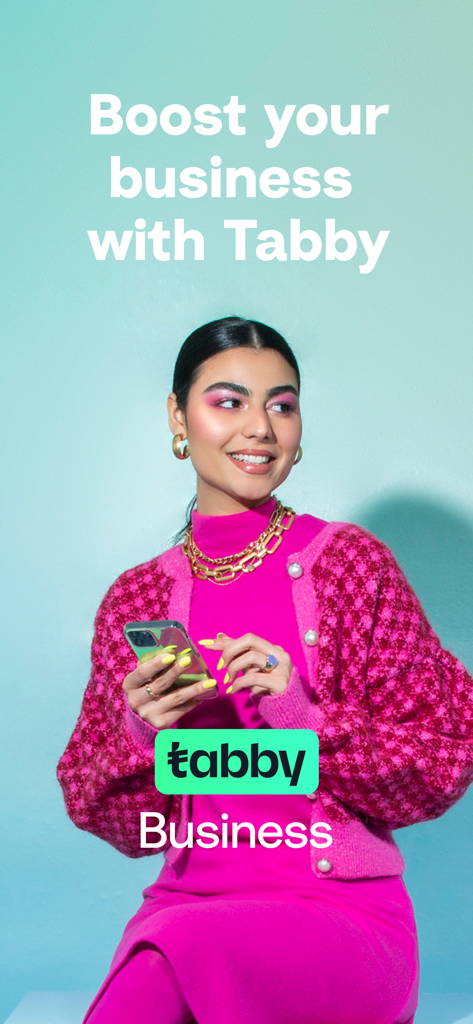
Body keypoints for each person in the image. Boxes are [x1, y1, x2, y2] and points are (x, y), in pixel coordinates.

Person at [57, 316, 473, 1024]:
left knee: (165, 957)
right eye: (229, 402)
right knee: (163, 955)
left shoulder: (349, 565)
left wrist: (301, 715)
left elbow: (442, 761)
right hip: (186, 905)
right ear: (178, 416)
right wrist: (139, 734)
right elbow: (116, 823)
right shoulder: (139, 597)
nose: (260, 428)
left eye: (280, 405)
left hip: (340, 916)